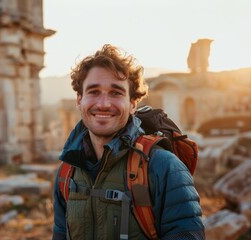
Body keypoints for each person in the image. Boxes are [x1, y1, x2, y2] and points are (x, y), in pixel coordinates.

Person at [52, 44, 205, 240]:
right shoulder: (67, 173)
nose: (103, 104)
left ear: (133, 103)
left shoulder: (163, 167)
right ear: (79, 99)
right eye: (93, 91)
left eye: (116, 93)